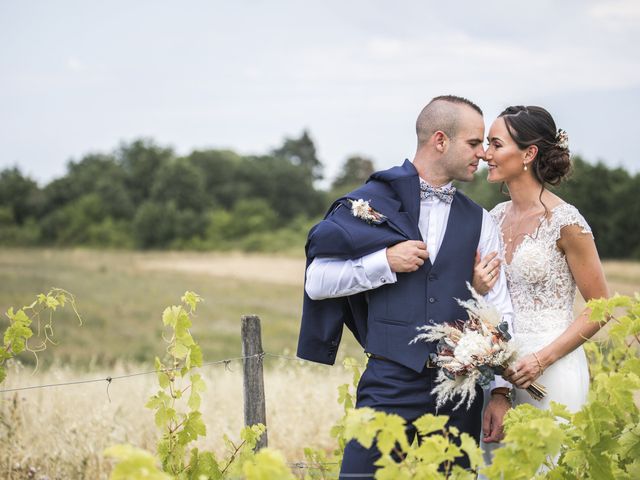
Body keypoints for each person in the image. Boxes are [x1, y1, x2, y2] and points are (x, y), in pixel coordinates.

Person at [297, 95, 513, 478]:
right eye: (474, 142)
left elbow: (499, 307)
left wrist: (498, 391)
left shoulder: (481, 221)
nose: (482, 154)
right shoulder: (369, 203)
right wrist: (384, 262)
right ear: (440, 140)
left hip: (460, 392)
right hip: (389, 381)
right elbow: (317, 282)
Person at [474, 105, 609, 415]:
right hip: (501, 375)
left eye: (496, 144)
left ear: (528, 154)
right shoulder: (493, 219)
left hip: (553, 372)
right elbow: (489, 299)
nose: (485, 154)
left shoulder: (566, 222)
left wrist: (542, 359)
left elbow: (601, 307)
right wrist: (479, 286)